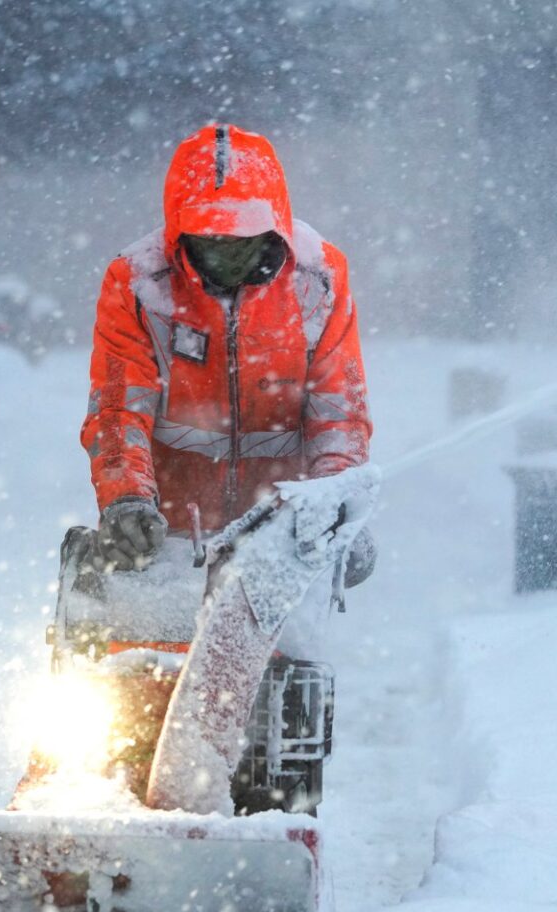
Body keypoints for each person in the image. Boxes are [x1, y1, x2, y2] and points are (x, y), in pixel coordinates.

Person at [82, 123, 375, 585]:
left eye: (243, 243)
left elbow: (338, 415)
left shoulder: (319, 281)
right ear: (181, 233)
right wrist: (127, 500)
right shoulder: (137, 285)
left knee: (288, 657)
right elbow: (119, 411)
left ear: (274, 228)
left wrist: (336, 507)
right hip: (166, 539)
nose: (229, 260)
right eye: (212, 243)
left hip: (284, 543)